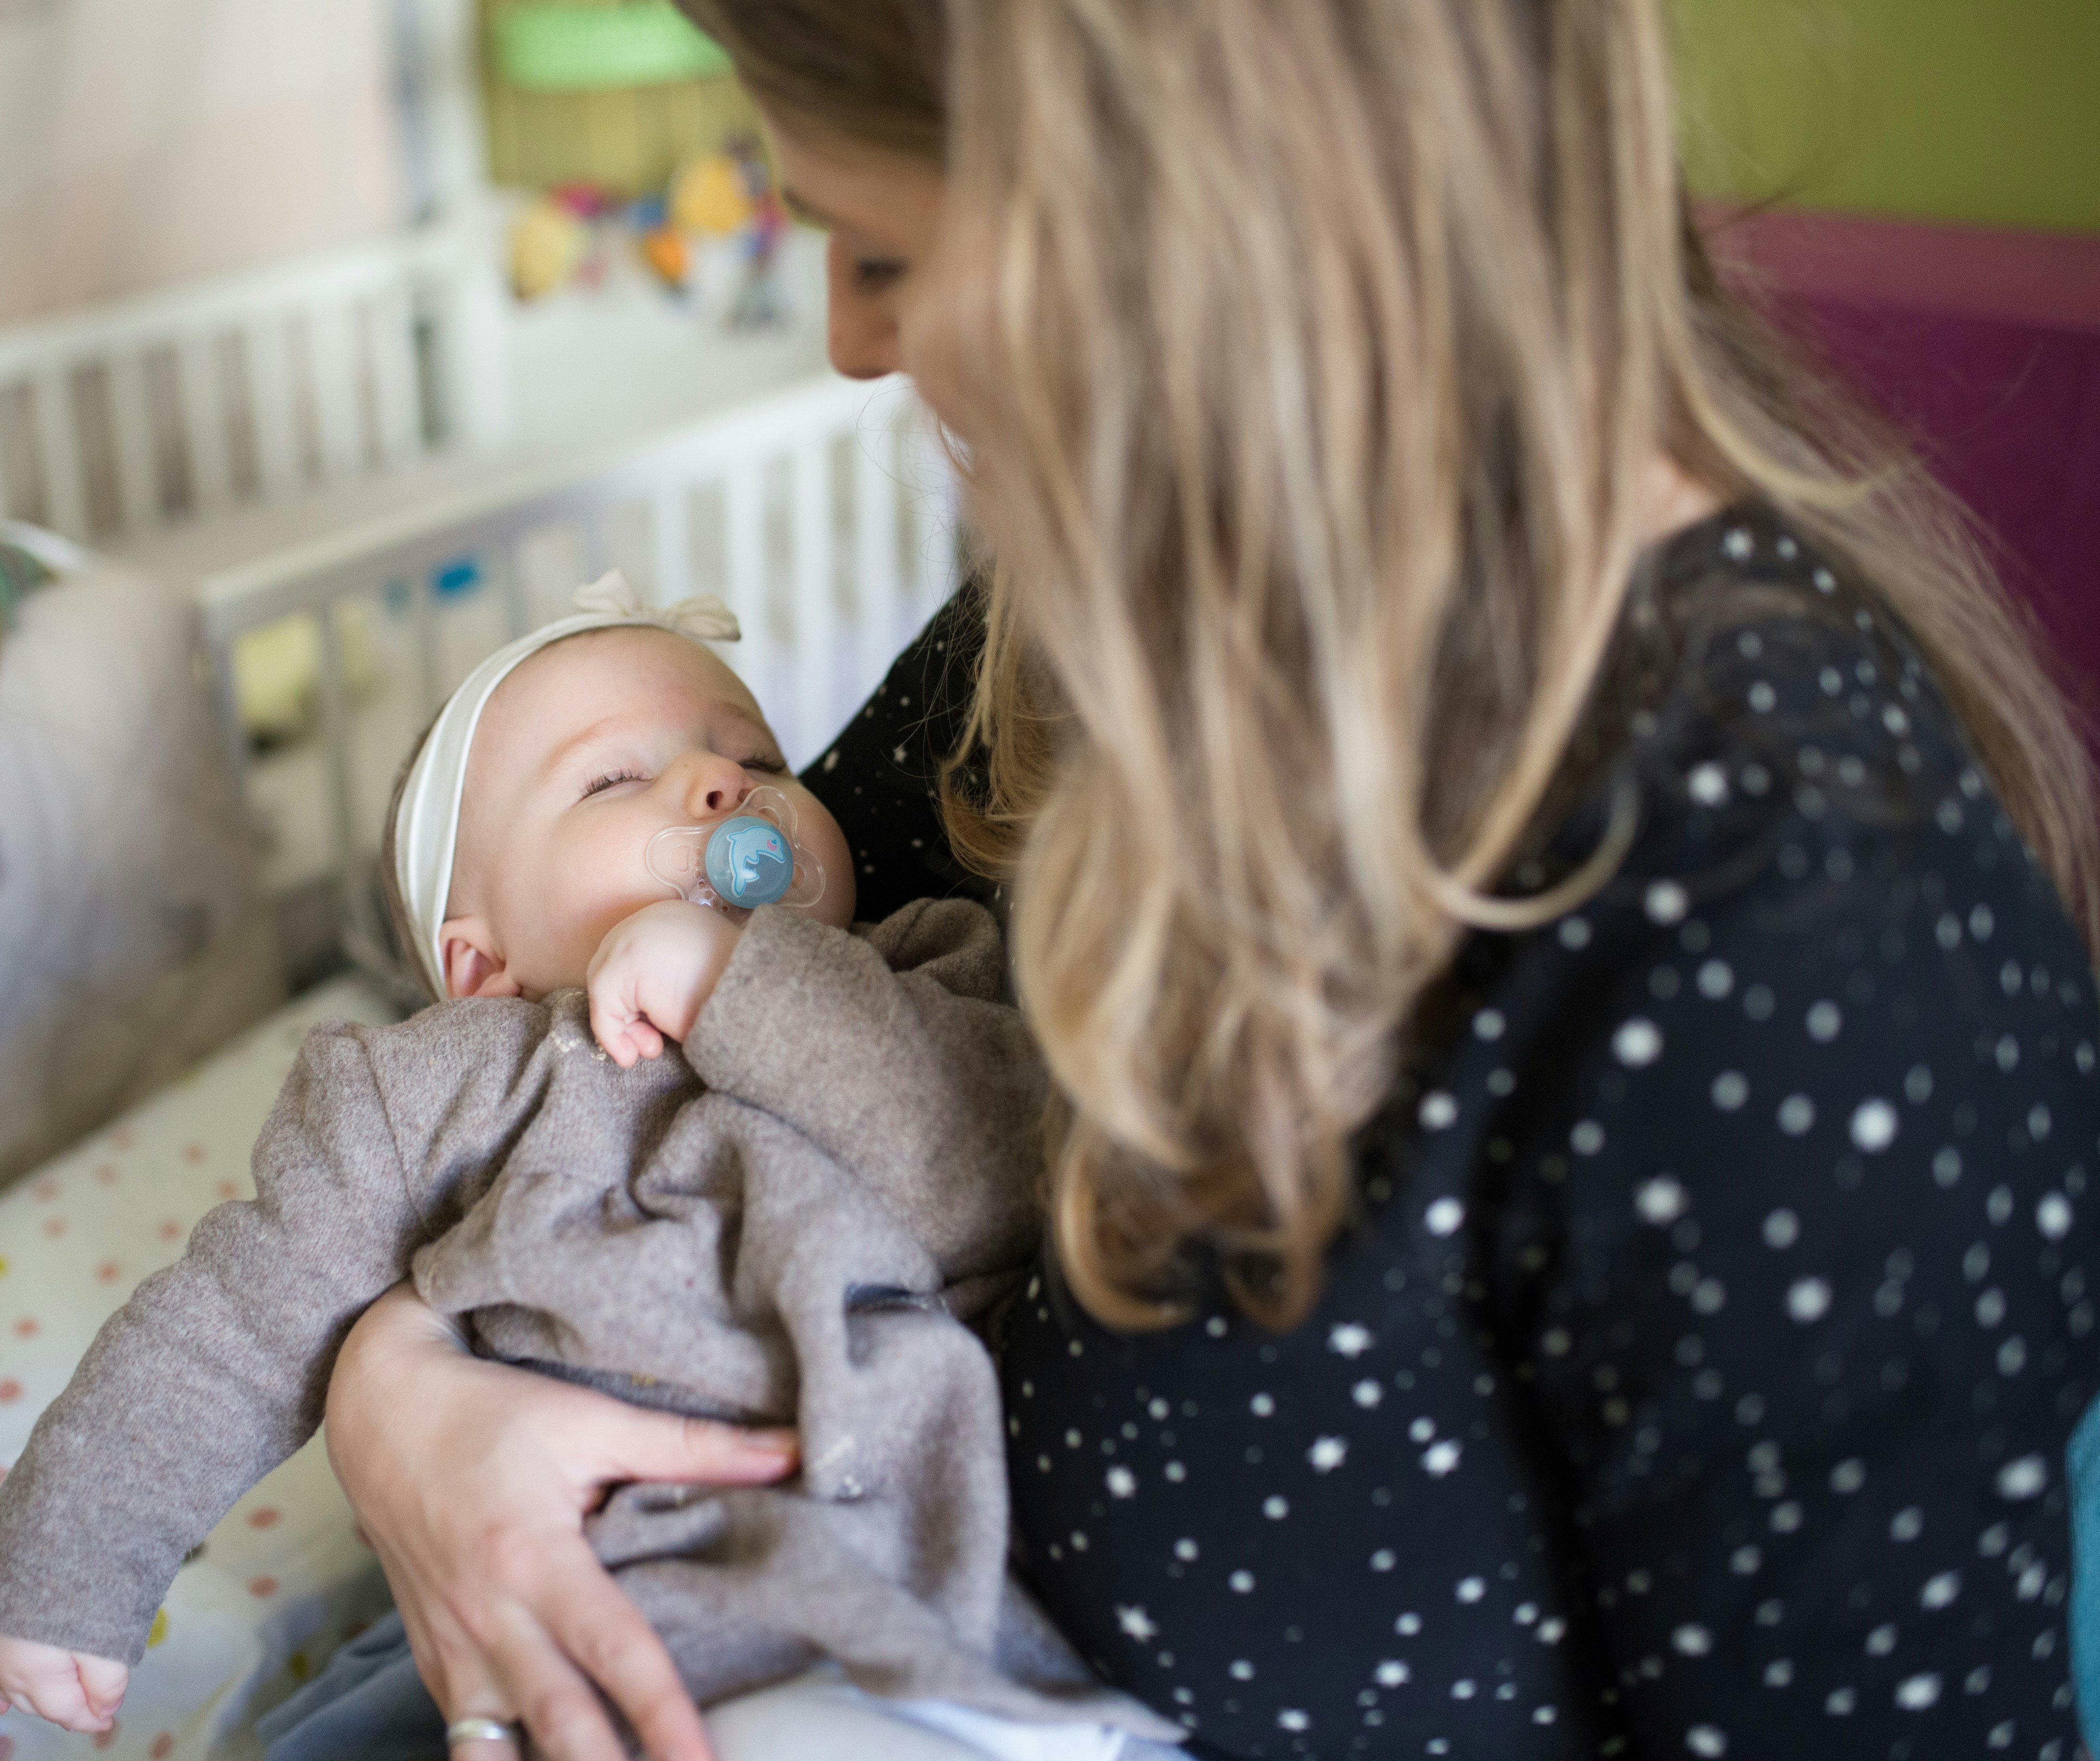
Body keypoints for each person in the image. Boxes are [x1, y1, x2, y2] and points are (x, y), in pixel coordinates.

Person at [321, 4, 2100, 1759]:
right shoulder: (1076, 648)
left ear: (1177, 216)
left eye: (882, 247)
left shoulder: (1786, 927)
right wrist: (403, 1393)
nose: (856, 345)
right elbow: (610, 1040)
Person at [0, 581, 1173, 1757]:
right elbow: (227, 1326)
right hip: (560, 1611)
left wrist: (732, 984)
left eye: (760, 764)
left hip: (892, 1598)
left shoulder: (924, 973)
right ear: (477, 965)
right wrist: (70, 1560)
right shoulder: (437, 1090)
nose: (721, 785)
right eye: (616, 779)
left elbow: (989, 1176)